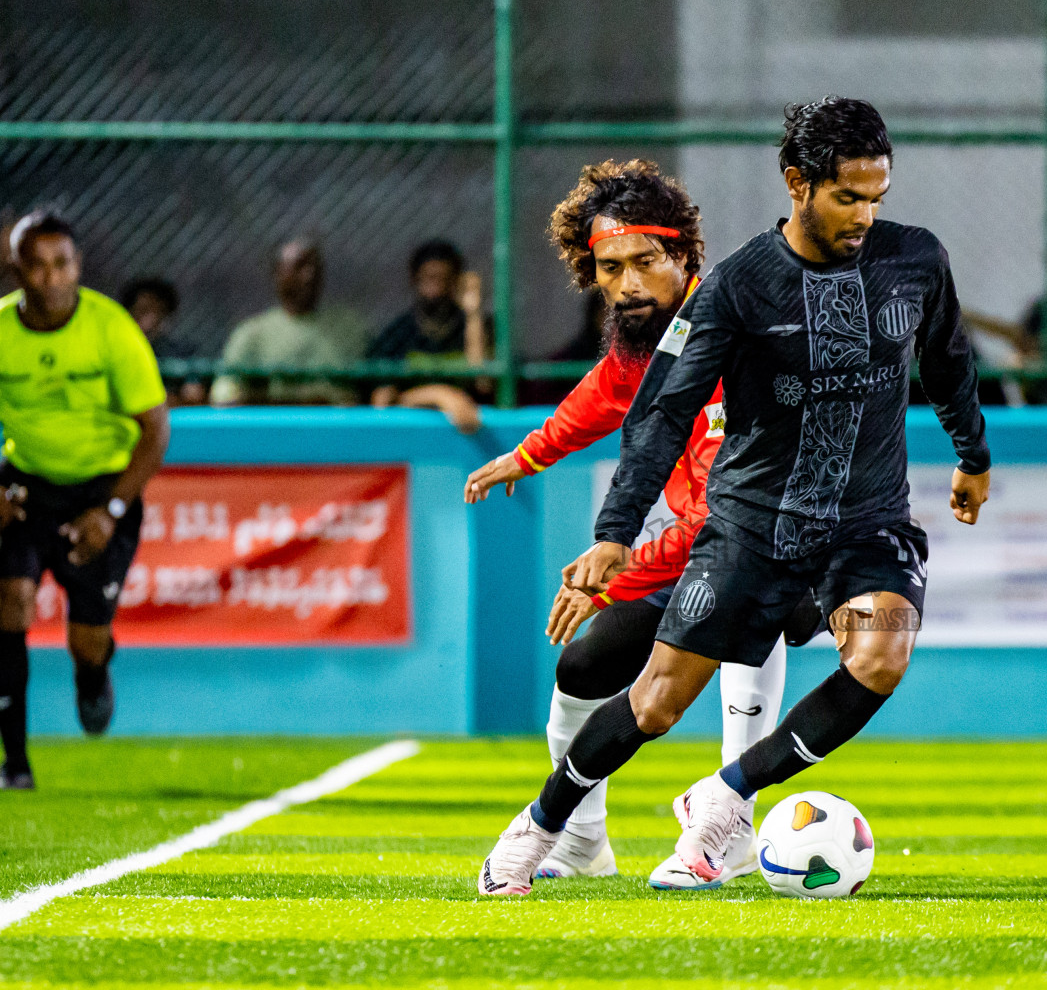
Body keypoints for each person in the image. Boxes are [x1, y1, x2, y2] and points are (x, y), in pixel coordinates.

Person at [477, 97, 992, 896]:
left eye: (876, 197)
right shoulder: (739, 285)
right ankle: (542, 824)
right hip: (751, 526)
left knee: (883, 653)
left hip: (867, 523)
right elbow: (660, 411)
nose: (864, 215)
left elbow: (949, 359)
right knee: (654, 702)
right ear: (797, 182)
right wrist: (616, 532)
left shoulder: (915, 260)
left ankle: (726, 796)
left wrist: (972, 454)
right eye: (847, 197)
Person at [463, 159, 815, 889]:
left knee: (751, 602)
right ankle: (581, 842)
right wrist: (528, 455)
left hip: (788, 542)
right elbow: (607, 393)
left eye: (644, 262)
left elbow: (721, 514)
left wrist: (618, 569)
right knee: (582, 670)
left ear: (685, 256)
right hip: (704, 546)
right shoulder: (645, 332)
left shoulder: (732, 335)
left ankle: (732, 821)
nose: (626, 283)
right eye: (609, 267)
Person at [0, 212, 170, 790]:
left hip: (102, 490)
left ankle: (93, 676)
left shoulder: (111, 328)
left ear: (78, 267)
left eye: (61, 264)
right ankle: (15, 764)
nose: (50, 277)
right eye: (36, 264)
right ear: (15, 267)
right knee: (11, 605)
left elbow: (155, 431)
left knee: (85, 640)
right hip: (26, 485)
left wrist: (111, 510)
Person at [209, 238, 368, 406]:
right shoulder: (252, 334)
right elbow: (224, 396)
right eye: (299, 266)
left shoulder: (349, 329)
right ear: (278, 273)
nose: (309, 275)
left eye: (316, 268)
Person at [368, 240, 485, 433]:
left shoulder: (473, 327)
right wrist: (441, 396)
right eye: (429, 279)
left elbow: (484, 382)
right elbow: (382, 399)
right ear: (415, 280)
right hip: (411, 438)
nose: (436, 289)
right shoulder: (399, 334)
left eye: (444, 279)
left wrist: (473, 313)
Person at [120, 276, 208, 406]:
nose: (150, 322)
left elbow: (195, 394)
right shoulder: (116, 352)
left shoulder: (182, 353)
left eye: (159, 312)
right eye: (143, 311)